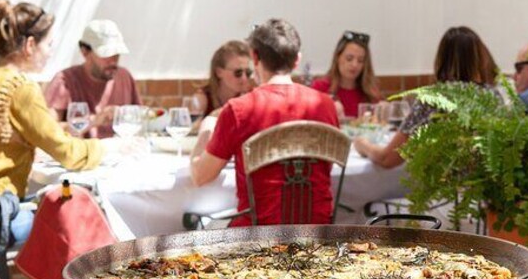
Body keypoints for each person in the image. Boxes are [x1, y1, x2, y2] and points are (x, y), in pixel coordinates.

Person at [0, 0, 105, 245]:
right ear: (31, 45)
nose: (51, 52)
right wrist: (109, 147)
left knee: (58, 206)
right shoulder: (20, 87)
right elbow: (68, 153)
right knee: (80, 217)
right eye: (50, 44)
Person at [190, 18, 339, 226]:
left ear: (255, 56)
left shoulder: (239, 109)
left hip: (255, 239)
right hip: (316, 235)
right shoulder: (325, 105)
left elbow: (200, 177)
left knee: (197, 223)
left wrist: (206, 131)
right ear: (297, 60)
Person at [354, 26, 499, 168]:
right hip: (486, 190)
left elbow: (388, 158)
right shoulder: (493, 96)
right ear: (480, 58)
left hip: (444, 188)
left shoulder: (435, 99)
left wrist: (363, 145)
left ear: (441, 60)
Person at [44, 19, 141, 138]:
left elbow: (139, 119)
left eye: (117, 53)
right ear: (84, 52)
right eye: (106, 54)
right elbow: (46, 130)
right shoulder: (65, 81)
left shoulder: (124, 76)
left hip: (121, 153)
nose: (113, 60)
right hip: (81, 154)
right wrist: (94, 120)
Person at [311, 30, 381, 118]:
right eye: (349, 59)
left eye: (360, 61)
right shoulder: (320, 88)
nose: (355, 65)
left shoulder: (370, 92)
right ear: (337, 58)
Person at [193, 40, 254, 116]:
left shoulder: (251, 97)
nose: (244, 78)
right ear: (219, 72)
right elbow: (193, 126)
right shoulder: (204, 98)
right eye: (238, 73)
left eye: (248, 73)